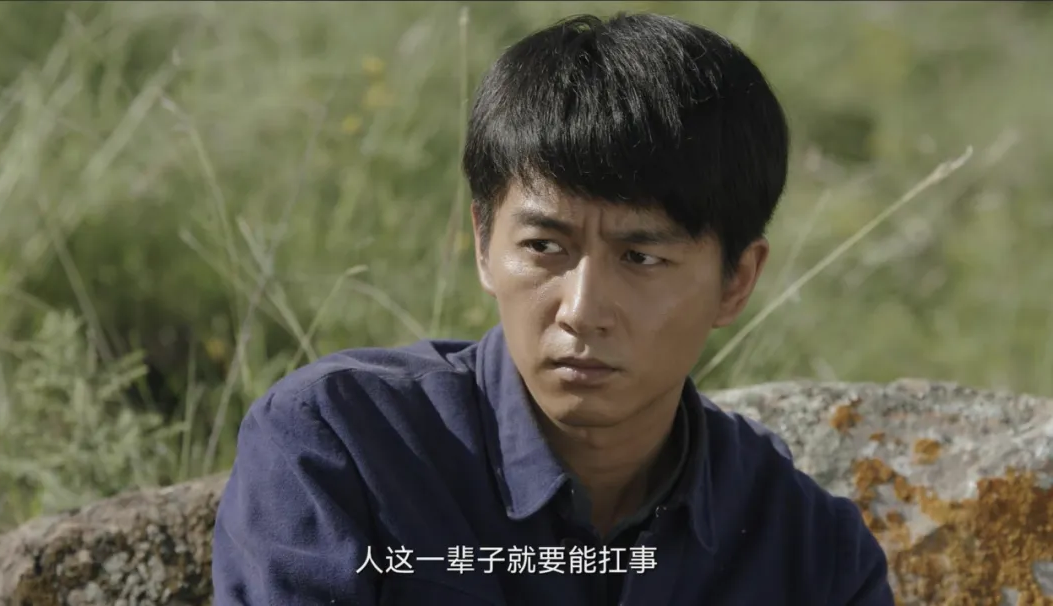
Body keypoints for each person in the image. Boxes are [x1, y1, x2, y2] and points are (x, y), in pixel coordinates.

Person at [211, 11, 893, 606]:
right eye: (544, 246)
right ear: (484, 244)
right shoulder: (342, 447)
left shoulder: (810, 553)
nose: (582, 310)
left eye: (641, 257)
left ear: (736, 281)